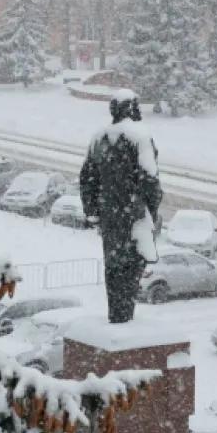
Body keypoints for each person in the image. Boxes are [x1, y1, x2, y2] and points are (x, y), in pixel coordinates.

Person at [80, 90, 162, 324]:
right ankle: (124, 319)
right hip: (134, 218)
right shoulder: (139, 137)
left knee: (113, 269)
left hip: (109, 218)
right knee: (131, 271)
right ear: (133, 109)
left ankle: (116, 316)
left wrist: (93, 212)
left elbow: (87, 179)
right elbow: (150, 180)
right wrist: (152, 212)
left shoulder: (98, 138)